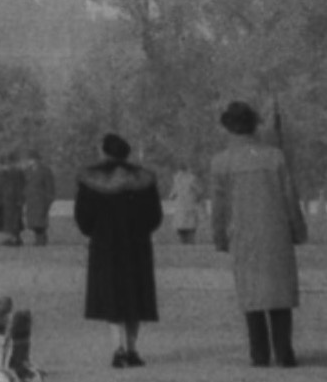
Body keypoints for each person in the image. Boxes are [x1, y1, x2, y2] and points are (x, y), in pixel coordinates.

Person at [210, 100, 307, 368]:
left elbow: (218, 207)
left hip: (243, 234)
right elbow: (290, 198)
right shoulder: (275, 156)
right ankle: (284, 351)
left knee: (251, 294)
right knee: (279, 293)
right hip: (276, 232)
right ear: (253, 126)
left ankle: (259, 354)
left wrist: (219, 236)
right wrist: (297, 230)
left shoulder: (221, 162)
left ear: (228, 127)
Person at [75, 134, 162, 368]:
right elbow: (155, 217)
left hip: (105, 244)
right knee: (135, 295)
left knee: (111, 295)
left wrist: (95, 231)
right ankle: (133, 349)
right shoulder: (144, 178)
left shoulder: (90, 179)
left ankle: (118, 348)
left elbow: (83, 218)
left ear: (104, 152)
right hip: (137, 244)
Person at [22, 151, 56, 246]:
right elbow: (24, 184)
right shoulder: (27, 171)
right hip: (31, 200)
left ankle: (41, 239)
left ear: (37, 160)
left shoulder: (45, 170)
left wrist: (48, 200)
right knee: (33, 222)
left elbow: (50, 187)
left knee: (40, 221)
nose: (29, 161)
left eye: (31, 159)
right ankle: (39, 238)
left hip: (41, 200)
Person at [0, 156, 26, 246]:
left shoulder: (16, 173)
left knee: (13, 220)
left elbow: (20, 187)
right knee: (8, 221)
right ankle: (14, 238)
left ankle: (14, 239)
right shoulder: (2, 173)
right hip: (4, 200)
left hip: (13, 200)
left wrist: (20, 199)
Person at [166, 166, 203, 245]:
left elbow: (171, 196)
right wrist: (197, 199)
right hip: (190, 210)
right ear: (187, 169)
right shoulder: (192, 178)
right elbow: (200, 192)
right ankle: (190, 250)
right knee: (190, 234)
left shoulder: (176, 179)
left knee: (182, 236)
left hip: (180, 213)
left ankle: (183, 249)